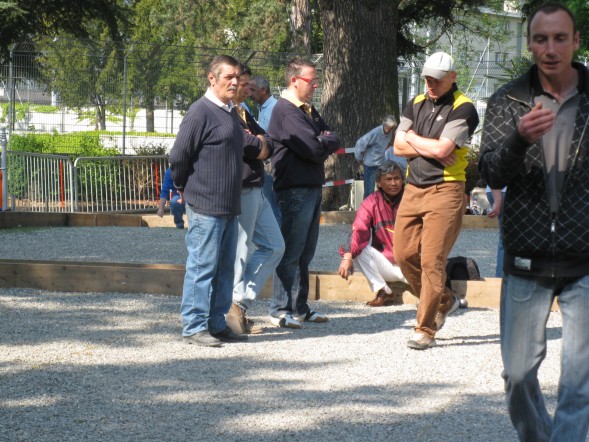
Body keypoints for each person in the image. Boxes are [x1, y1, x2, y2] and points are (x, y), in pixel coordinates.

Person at [478, 3, 589, 440]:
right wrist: (519, 138)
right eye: (541, 39)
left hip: (585, 259)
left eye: (560, 38)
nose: (551, 48)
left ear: (576, 41)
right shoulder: (508, 100)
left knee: (579, 383)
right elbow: (490, 173)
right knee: (518, 376)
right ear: (529, 44)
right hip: (527, 257)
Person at [169, 54, 267, 348]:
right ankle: (194, 326)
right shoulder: (200, 112)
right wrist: (182, 187)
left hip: (228, 205)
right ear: (212, 78)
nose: (235, 82)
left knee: (225, 269)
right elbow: (178, 156)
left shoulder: (229, 112)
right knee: (202, 268)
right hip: (206, 205)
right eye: (229, 77)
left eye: (237, 77)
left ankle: (215, 323)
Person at [393, 51, 479, 350]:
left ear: (453, 77)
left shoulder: (464, 107)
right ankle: (445, 299)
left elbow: (443, 151)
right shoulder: (415, 102)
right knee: (403, 255)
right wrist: (427, 146)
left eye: (437, 80)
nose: (431, 84)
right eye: (427, 78)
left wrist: (412, 138)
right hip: (413, 188)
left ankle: (425, 329)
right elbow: (397, 146)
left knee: (432, 261)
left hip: (446, 190)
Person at [268, 57, 340, 328]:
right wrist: (322, 141)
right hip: (295, 189)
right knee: (291, 251)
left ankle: (300, 307)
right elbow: (313, 149)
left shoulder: (307, 110)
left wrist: (322, 140)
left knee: (305, 252)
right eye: (312, 80)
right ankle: (279, 309)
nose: (316, 85)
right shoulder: (287, 111)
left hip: (310, 186)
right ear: (294, 80)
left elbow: (332, 137)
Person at [226, 64, 285, 335]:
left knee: (274, 246)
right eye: (244, 84)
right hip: (241, 188)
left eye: (249, 85)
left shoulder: (244, 112)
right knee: (239, 252)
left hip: (257, 187)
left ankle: (238, 304)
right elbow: (253, 147)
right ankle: (230, 314)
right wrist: (259, 143)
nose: (247, 90)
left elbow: (268, 141)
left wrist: (259, 142)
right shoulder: (226, 113)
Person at [338, 161, 408, 306]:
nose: (393, 183)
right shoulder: (371, 202)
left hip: (412, 266)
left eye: (397, 178)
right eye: (388, 179)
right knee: (359, 249)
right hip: (387, 265)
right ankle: (383, 290)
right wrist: (348, 255)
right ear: (378, 182)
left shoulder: (412, 199)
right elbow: (359, 230)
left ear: (402, 180)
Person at [249, 75, 281, 222]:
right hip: (266, 164)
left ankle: (279, 234)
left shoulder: (274, 108)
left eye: (253, 90)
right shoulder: (261, 108)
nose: (249, 93)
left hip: (272, 165)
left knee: (273, 206)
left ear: (263, 90)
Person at [355, 115, 398, 199]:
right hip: (370, 166)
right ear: (385, 125)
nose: (390, 130)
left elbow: (387, 144)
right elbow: (360, 143)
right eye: (389, 128)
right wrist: (359, 158)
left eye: (392, 128)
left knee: (383, 190)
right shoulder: (375, 132)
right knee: (369, 191)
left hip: (381, 164)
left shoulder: (390, 133)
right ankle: (367, 207)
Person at [485, 185, 505, 277]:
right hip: (503, 191)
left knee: (505, 238)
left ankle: (501, 277)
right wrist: (498, 199)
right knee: (506, 239)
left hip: (497, 191)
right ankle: (501, 278)